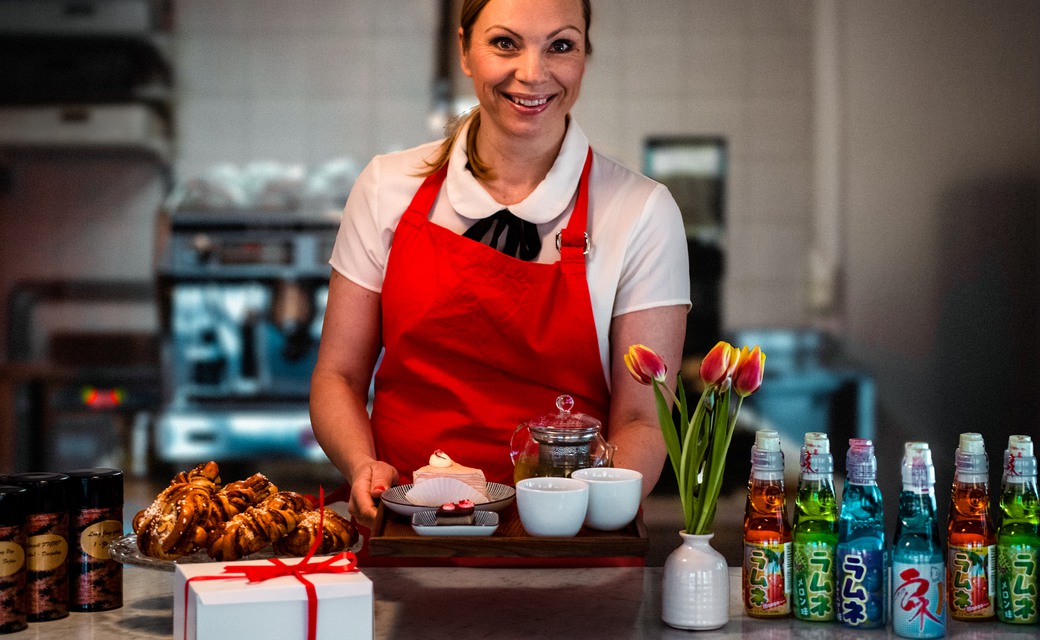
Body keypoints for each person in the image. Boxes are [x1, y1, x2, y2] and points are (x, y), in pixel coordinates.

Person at [310, 0, 690, 530]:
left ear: (584, 54)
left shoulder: (642, 210)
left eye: (561, 45)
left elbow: (642, 420)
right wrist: (361, 465)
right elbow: (339, 376)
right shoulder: (386, 188)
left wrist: (581, 516)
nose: (532, 74)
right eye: (505, 43)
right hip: (409, 538)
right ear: (465, 50)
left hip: (570, 554)